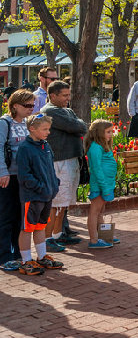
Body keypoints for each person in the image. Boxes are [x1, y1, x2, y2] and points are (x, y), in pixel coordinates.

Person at [15, 113, 64, 275]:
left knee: (40, 226)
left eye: (48, 129)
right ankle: (25, 261)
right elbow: (24, 176)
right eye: (44, 129)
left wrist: (54, 184)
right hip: (32, 196)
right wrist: (41, 187)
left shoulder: (46, 146)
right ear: (32, 129)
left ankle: (41, 256)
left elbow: (50, 168)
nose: (48, 132)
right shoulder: (24, 148)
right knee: (27, 228)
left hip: (46, 195)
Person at [41, 80, 87, 252]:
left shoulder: (66, 110)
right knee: (56, 202)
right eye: (64, 95)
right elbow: (75, 125)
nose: (68, 98)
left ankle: (58, 234)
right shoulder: (50, 110)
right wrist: (77, 125)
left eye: (69, 95)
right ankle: (47, 238)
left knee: (64, 202)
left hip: (71, 159)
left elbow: (80, 126)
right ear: (53, 95)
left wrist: (78, 125)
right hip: (59, 162)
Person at [0, 89, 35, 270]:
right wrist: (2, 172)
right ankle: (4, 256)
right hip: (8, 177)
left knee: (18, 217)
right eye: (27, 105)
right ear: (15, 105)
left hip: (22, 177)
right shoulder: (4, 123)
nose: (31, 108)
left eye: (32, 105)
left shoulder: (27, 123)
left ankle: (16, 253)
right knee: (5, 216)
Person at [84, 120, 118, 249]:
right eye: (108, 132)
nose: (111, 134)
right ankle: (93, 240)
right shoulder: (95, 147)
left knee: (100, 212)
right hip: (100, 185)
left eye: (111, 131)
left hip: (106, 184)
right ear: (99, 132)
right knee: (95, 211)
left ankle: (104, 236)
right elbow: (96, 169)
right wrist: (104, 187)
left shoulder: (103, 146)